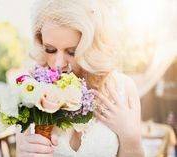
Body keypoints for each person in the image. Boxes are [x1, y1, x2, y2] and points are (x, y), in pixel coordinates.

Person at [16, 0, 144, 156]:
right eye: (50, 49)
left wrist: (131, 137)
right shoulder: (30, 92)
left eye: (72, 52)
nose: (58, 64)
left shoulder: (123, 88)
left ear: (93, 49)